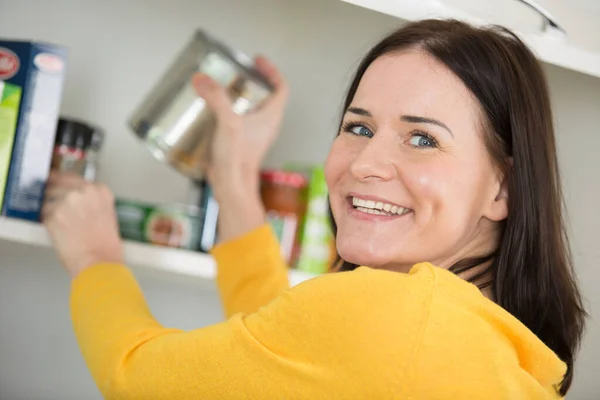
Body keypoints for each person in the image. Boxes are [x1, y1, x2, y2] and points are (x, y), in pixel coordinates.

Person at [42, 19, 586, 399]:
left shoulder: (399, 320)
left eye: (422, 140)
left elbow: (135, 379)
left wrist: (94, 255)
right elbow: (284, 345)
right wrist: (234, 177)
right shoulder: (486, 341)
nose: (367, 163)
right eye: (359, 126)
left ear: (503, 189)